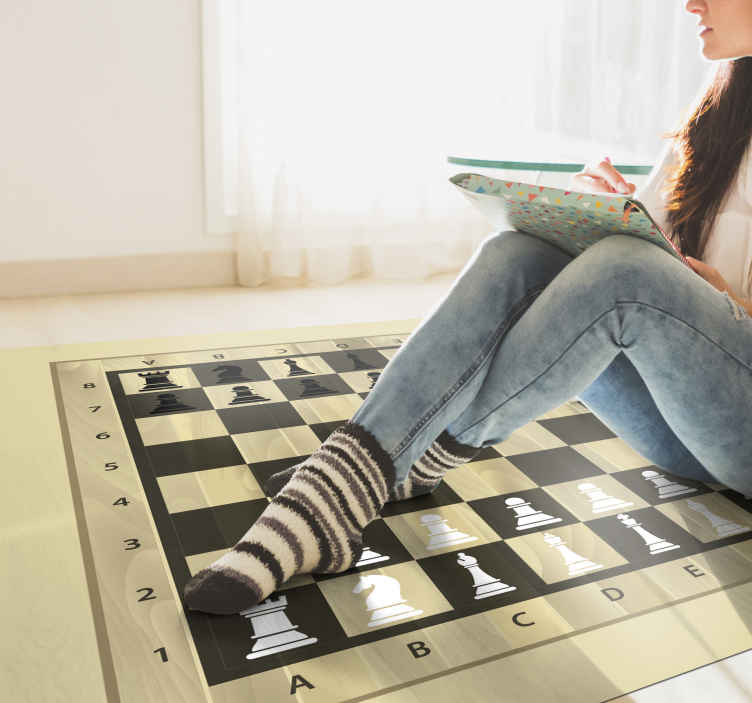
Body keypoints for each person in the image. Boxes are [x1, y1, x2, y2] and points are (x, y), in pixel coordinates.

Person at [184, 0, 752, 615]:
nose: (690, 2)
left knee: (623, 272)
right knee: (520, 251)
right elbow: (660, 251)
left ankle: (351, 482)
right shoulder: (721, 110)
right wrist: (607, 212)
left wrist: (722, 295)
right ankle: (375, 466)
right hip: (687, 429)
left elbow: (653, 280)